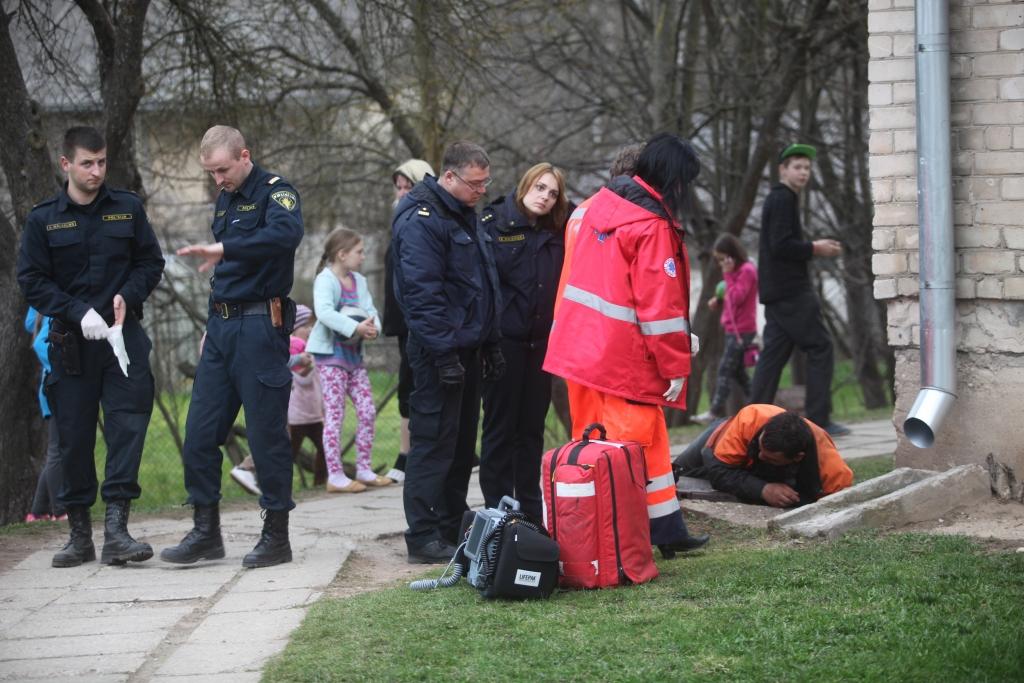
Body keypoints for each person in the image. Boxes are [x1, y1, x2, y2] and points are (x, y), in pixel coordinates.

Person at [544, 132, 709, 558]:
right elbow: (659, 304)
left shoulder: (591, 210)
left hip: (579, 351)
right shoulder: (649, 225)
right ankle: (622, 539)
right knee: (633, 449)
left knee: (596, 446)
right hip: (621, 359)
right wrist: (674, 362)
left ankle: (642, 532)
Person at [17, 125, 165, 567]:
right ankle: (79, 534)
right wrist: (75, 311)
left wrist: (129, 295)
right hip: (71, 344)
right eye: (87, 163)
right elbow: (32, 280)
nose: (96, 171)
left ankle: (117, 530)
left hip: (122, 340)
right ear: (66, 164)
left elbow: (150, 262)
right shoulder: (44, 219)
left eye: (101, 162)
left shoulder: (127, 208)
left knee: (128, 430)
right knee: (76, 439)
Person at [162, 125, 303, 569]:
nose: (217, 179)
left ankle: (275, 535)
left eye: (222, 169)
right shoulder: (225, 197)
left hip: (261, 327)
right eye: (210, 172)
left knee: (265, 436)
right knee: (200, 434)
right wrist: (213, 321)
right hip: (222, 330)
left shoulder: (277, 193)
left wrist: (225, 247)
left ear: (244, 155)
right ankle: (206, 532)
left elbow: (285, 237)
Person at [391, 141, 502, 564]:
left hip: (468, 347)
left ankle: (451, 520)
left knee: (460, 444)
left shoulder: (463, 214)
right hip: (438, 350)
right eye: (475, 183)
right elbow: (422, 295)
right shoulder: (421, 218)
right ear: (450, 177)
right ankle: (421, 533)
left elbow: (482, 282)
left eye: (485, 183)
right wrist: (443, 353)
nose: (481, 191)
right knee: (433, 442)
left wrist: (490, 340)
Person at [479, 163, 569, 522]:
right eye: (540, 187)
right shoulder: (495, 223)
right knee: (500, 431)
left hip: (541, 346)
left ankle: (530, 514)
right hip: (504, 344)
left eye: (553, 193)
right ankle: (498, 514)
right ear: (525, 185)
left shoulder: (558, 229)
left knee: (531, 431)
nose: (545, 196)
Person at [748, 144, 849, 437]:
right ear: (783, 170)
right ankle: (818, 420)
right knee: (821, 347)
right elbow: (781, 245)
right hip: (791, 290)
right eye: (797, 167)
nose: (803, 173)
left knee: (773, 357)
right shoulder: (782, 199)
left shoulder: (781, 199)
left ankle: (752, 418)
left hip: (777, 291)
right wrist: (815, 248)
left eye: (807, 168)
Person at [553, 143, 645, 439]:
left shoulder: (584, 210)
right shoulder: (622, 214)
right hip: (606, 339)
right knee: (615, 438)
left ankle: (586, 481)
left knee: (586, 430)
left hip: (574, 334)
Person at [308, 228, 389, 493]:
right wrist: (355, 329)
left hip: (354, 358)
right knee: (335, 415)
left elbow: (370, 310)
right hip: (331, 358)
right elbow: (324, 313)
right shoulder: (325, 280)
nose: (363, 256)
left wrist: (373, 327)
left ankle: (364, 469)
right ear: (342, 255)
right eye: (359, 252)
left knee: (367, 410)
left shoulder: (360, 281)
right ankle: (335, 476)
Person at [673, 404, 853, 507]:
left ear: (798, 457)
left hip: (772, 470)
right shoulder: (749, 419)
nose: (760, 456)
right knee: (674, 474)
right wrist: (763, 489)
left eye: (770, 458)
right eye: (759, 448)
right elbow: (718, 471)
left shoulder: (829, 465)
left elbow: (838, 504)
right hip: (716, 442)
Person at [382, 159, 435, 483]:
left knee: (421, 386)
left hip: (423, 321)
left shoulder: (426, 221)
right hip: (404, 321)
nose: (402, 193)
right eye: (398, 187)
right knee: (408, 387)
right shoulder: (401, 219)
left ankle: (415, 456)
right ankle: (407, 453)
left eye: (408, 187)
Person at [695, 233, 759, 423]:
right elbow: (732, 296)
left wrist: (728, 274)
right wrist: (719, 300)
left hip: (743, 330)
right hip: (732, 328)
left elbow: (739, 297)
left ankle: (714, 411)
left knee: (725, 368)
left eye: (723, 259)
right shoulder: (735, 273)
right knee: (739, 374)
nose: (721, 263)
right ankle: (760, 403)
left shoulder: (747, 270)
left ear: (732, 255)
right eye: (719, 260)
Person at [24, 307, 67, 523]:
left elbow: (30, 324)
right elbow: (40, 343)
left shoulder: (42, 308)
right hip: (56, 389)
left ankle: (38, 511)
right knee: (57, 451)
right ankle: (59, 511)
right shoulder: (54, 307)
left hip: (52, 388)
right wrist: (62, 368)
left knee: (56, 450)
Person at [285, 304, 327, 488]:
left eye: (311, 326)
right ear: (295, 328)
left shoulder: (310, 351)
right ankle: (279, 486)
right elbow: (303, 379)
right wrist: (309, 361)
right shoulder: (294, 353)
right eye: (306, 326)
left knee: (325, 447)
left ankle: (320, 482)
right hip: (297, 415)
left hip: (314, 413)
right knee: (289, 453)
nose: (310, 330)